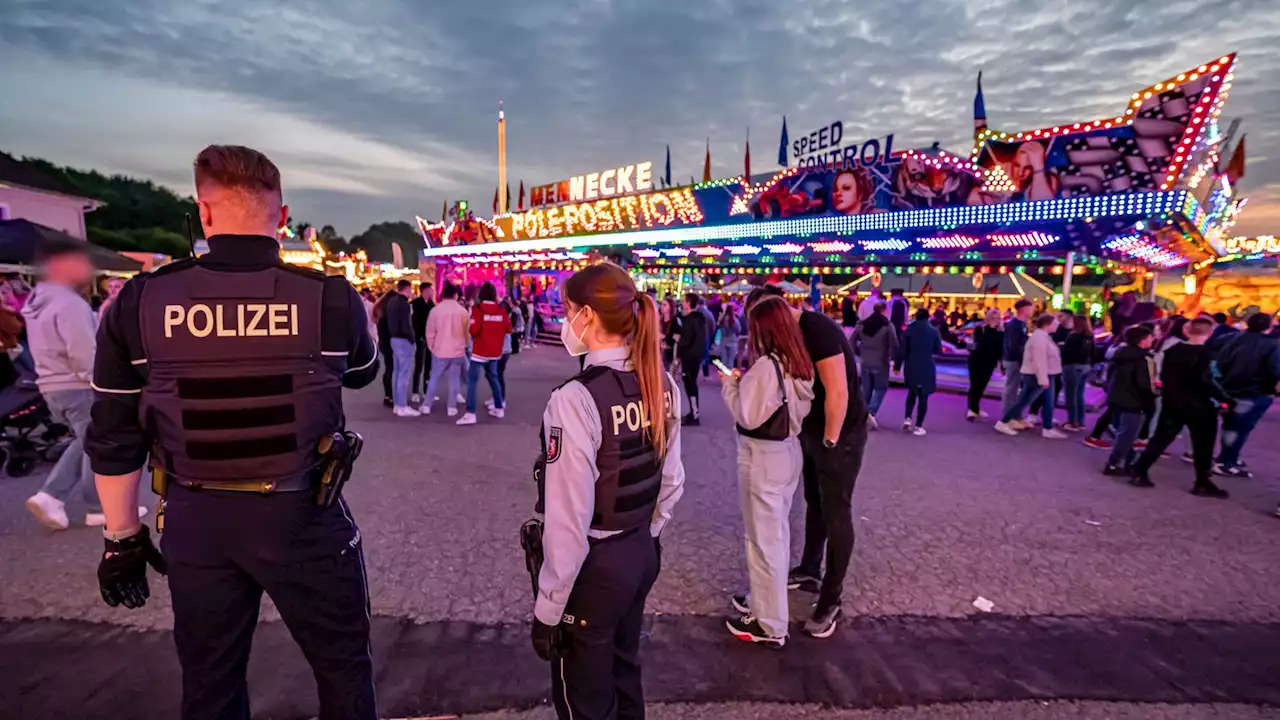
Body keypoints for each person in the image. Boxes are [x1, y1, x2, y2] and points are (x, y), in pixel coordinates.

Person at [86, 145, 379, 719]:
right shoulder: (330, 298)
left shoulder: (141, 302)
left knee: (210, 683)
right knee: (344, 669)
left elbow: (114, 436)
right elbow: (365, 373)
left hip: (198, 520)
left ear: (204, 213)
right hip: (303, 514)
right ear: (283, 215)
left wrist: (121, 539)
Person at [531, 262, 684, 720]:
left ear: (588, 318)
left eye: (569, 310)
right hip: (639, 551)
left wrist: (548, 608)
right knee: (624, 673)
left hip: (596, 567)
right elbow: (672, 481)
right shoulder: (661, 383)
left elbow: (567, 521)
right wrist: (645, 535)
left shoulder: (575, 399)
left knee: (585, 699)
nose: (565, 321)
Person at [748, 285, 868, 639]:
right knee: (814, 501)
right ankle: (810, 569)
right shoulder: (792, 334)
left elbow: (838, 391)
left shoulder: (817, 329)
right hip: (813, 431)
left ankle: (831, 600)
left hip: (840, 433)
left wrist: (830, 440)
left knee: (836, 512)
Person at [22, 242, 144, 530]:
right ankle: (81, 502)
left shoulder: (38, 302)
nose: (87, 269)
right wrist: (103, 382)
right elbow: (83, 351)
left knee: (86, 440)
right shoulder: (69, 303)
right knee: (94, 440)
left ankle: (64, 499)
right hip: (77, 383)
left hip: (51, 383)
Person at [722, 296, 815, 647]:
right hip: (787, 451)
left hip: (761, 455)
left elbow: (746, 414)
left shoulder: (766, 367)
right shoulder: (798, 362)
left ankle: (770, 623)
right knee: (774, 536)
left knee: (763, 541)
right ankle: (764, 606)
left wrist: (731, 385)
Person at [1129, 317, 1230, 496]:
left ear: (1188, 330)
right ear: (1210, 332)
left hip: (1173, 401)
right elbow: (1206, 380)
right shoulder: (1206, 354)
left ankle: (1140, 469)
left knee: (1160, 438)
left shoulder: (1173, 350)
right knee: (1203, 444)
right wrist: (1223, 398)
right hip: (1199, 404)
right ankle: (1202, 481)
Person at [1213, 312, 1279, 478]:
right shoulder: (1271, 345)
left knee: (1231, 425)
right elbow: (1274, 370)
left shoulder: (1233, 338)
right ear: (1268, 327)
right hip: (1254, 391)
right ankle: (1227, 462)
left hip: (1228, 389)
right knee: (1240, 428)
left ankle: (1227, 457)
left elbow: (1218, 360)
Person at [995, 314, 1067, 438]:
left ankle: (1048, 427)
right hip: (1036, 375)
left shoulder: (1043, 337)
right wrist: (1043, 378)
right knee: (1024, 400)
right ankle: (1003, 422)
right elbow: (1040, 360)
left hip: (1044, 374)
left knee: (1047, 401)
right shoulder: (1039, 338)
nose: (1057, 325)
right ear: (1047, 324)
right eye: (1055, 323)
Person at [1102, 326, 1157, 475]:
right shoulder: (1144, 359)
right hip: (1134, 401)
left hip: (1116, 397)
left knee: (1126, 432)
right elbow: (1145, 384)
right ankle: (1114, 463)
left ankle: (1129, 461)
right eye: (1150, 337)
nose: (1153, 339)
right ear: (1142, 340)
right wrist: (1154, 395)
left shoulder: (1119, 354)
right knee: (1128, 435)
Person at [458, 281, 511, 426]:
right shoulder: (501, 310)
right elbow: (508, 328)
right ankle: (499, 408)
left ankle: (470, 413)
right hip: (495, 351)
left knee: (473, 382)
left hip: (480, 351)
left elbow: (474, 330)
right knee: (494, 378)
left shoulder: (478, 309)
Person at [421, 283, 470, 416]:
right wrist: (464, 345)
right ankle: (451, 407)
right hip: (457, 350)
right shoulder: (463, 311)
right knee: (454, 380)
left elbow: (430, 332)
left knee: (434, 378)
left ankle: (426, 405)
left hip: (439, 349)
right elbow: (467, 333)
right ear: (456, 295)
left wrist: (432, 347)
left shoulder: (435, 310)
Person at [897, 308, 940, 436]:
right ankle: (919, 425)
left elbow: (903, 350)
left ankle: (907, 418)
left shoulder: (909, 330)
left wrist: (898, 365)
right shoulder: (933, 331)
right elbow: (937, 349)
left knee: (912, 392)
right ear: (928, 317)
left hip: (911, 364)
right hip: (926, 364)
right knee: (923, 396)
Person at [855, 301, 896, 429]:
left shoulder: (862, 325)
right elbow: (894, 344)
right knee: (880, 388)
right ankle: (871, 412)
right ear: (884, 311)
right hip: (881, 361)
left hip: (865, 361)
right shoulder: (888, 326)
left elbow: (852, 341)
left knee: (866, 389)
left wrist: (860, 352)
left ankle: (861, 414)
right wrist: (895, 359)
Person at [386, 279, 418, 417]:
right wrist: (412, 339)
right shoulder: (404, 304)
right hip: (404, 340)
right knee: (404, 374)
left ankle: (397, 404)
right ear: (407, 289)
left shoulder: (391, 302)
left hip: (394, 339)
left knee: (397, 372)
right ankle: (403, 406)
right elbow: (406, 325)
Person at [1060, 314, 1096, 431]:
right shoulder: (1090, 336)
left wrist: (1061, 348)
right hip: (1085, 366)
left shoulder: (1073, 337)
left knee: (1071, 395)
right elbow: (1094, 353)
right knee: (1079, 395)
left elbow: (1066, 353)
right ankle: (1080, 421)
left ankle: (1072, 422)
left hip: (1072, 366)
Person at [676, 293, 708, 425]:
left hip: (689, 357)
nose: (682, 303)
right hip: (697, 356)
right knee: (691, 384)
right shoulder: (700, 319)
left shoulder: (689, 320)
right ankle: (694, 412)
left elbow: (686, 340)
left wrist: (677, 340)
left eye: (684, 301)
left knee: (690, 385)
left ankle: (694, 415)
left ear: (689, 304)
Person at [966, 309, 1003, 421]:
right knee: (975, 384)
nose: (995, 321)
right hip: (976, 361)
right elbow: (982, 344)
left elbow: (999, 348)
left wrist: (999, 364)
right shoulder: (980, 329)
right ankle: (971, 409)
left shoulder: (1000, 332)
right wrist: (990, 329)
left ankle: (976, 408)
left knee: (982, 385)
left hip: (989, 362)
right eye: (993, 318)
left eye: (997, 318)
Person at [1001, 299, 1034, 420]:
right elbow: (1013, 345)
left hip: (1016, 359)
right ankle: (1008, 415)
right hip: (1014, 360)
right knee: (1011, 388)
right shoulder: (1014, 325)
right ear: (1023, 309)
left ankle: (1013, 414)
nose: (1032, 310)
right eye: (1030, 308)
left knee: (1014, 388)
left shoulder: (1021, 324)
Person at [411, 282, 435, 404]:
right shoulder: (415, 304)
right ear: (424, 291)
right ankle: (415, 391)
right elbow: (414, 323)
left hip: (430, 339)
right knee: (419, 366)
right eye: (430, 289)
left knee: (429, 366)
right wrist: (418, 336)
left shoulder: (431, 304)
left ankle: (427, 391)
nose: (432, 291)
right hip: (419, 339)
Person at [660, 297, 682, 370]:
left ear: (670, 307)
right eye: (662, 304)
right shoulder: (660, 320)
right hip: (658, 351)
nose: (662, 307)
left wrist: (664, 337)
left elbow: (677, 339)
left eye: (665, 305)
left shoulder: (675, 321)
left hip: (668, 354)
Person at [718, 302, 741, 371]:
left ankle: (724, 375)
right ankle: (729, 377)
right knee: (730, 361)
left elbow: (719, 327)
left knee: (723, 360)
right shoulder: (734, 320)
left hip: (723, 340)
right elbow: (739, 329)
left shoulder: (722, 319)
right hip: (732, 341)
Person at [698, 295, 716, 378]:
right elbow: (713, 326)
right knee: (705, 354)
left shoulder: (697, 313)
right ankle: (705, 371)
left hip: (699, 336)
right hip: (707, 336)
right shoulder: (709, 313)